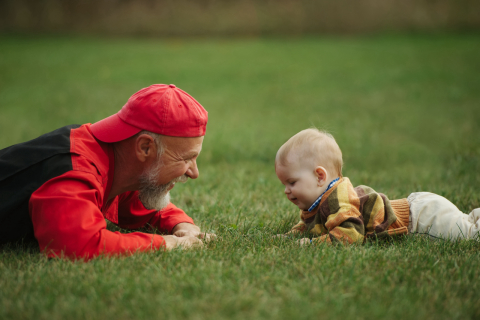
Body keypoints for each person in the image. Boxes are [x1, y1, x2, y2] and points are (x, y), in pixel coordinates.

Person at [0, 84, 214, 259]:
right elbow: (80, 245)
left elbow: (133, 201)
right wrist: (168, 243)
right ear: (145, 147)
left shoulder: (110, 161)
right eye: (185, 158)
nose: (194, 172)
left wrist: (182, 224)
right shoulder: (75, 171)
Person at [275, 128, 480, 245]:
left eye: (292, 182)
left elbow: (351, 233)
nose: (287, 190)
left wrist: (312, 245)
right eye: (284, 184)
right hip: (417, 206)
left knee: (471, 234)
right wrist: (290, 235)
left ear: (320, 176)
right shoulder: (318, 202)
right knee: (469, 220)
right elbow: (312, 225)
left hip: (422, 220)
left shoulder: (338, 200)